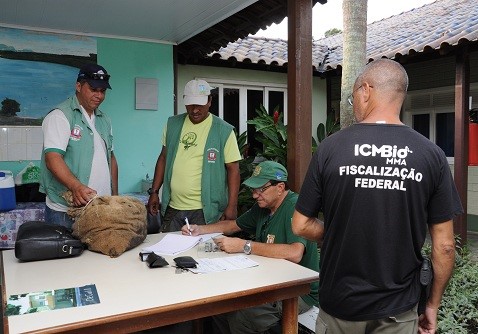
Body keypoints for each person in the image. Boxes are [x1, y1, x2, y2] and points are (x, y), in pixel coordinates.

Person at [291, 58, 463, 334]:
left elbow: (299, 224)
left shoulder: (330, 149)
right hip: (398, 309)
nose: (355, 104)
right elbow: (444, 246)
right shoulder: (431, 155)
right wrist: (431, 305)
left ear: (366, 90)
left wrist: (336, 233)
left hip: (340, 306)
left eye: (353, 98)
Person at [182, 160, 319, 333]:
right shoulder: (263, 207)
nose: (255, 195)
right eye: (254, 190)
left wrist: (244, 246)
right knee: (219, 306)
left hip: (299, 291)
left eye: (260, 190)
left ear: (280, 187)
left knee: (243, 315)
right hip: (268, 280)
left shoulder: (294, 206)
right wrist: (199, 229)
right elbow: (233, 225)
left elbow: (295, 253)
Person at [147, 79, 241, 232]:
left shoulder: (223, 131)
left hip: (205, 211)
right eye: (191, 104)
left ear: (210, 101)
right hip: (173, 206)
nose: (195, 110)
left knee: (201, 253)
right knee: (169, 250)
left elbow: (233, 169)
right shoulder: (172, 124)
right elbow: (163, 157)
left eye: (199, 104)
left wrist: (232, 206)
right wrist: (155, 192)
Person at [40, 64, 118, 229]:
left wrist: (114, 198)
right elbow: (52, 158)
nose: (99, 95)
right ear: (78, 86)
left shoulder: (104, 120)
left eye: (102, 91)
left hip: (100, 208)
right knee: (65, 254)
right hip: (65, 212)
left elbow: (111, 158)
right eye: (93, 89)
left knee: (96, 255)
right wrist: (76, 187)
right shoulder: (60, 116)